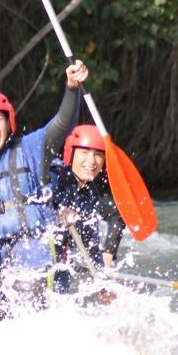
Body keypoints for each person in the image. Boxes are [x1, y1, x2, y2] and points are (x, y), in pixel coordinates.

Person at [0, 60, 89, 316]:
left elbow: (62, 124)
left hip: (35, 256)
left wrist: (72, 88)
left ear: (9, 124)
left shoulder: (30, 149)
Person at [50, 124, 124, 296]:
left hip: (60, 267)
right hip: (35, 263)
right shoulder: (55, 175)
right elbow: (34, 204)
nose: (91, 161)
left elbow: (91, 244)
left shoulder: (90, 193)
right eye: (84, 153)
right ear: (70, 153)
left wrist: (102, 285)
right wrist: (56, 214)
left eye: (98, 155)